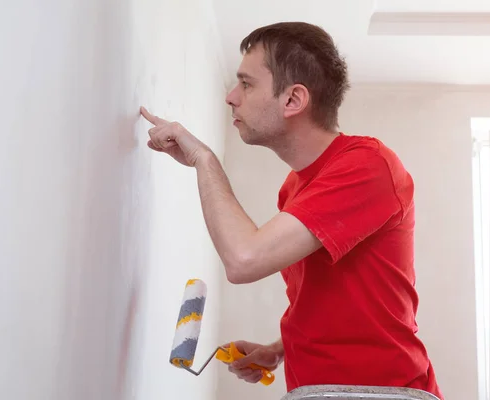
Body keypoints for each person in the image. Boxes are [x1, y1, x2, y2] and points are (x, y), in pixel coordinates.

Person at [140, 21, 443, 400]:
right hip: (321, 390)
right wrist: (279, 349)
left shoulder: (368, 165)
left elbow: (244, 260)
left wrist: (204, 159)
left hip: (378, 392)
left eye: (247, 84)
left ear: (293, 100)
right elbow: (332, 298)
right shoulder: (294, 188)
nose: (231, 97)